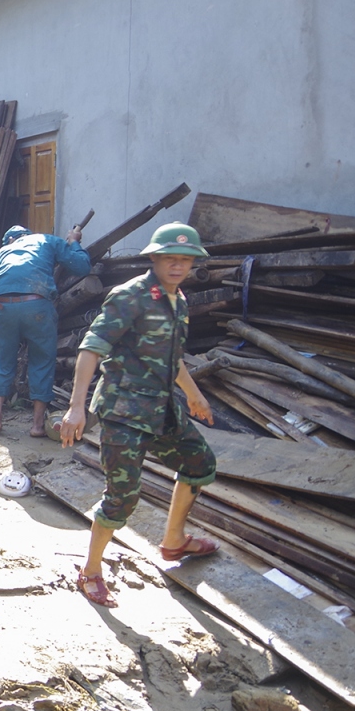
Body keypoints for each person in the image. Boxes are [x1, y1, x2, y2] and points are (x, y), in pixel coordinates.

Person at [60, 223, 218, 608]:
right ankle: (91, 572)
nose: (178, 266)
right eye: (171, 259)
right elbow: (92, 347)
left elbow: (172, 357)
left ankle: (174, 541)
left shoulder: (177, 301)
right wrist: (76, 406)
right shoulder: (129, 296)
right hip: (124, 411)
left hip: (162, 409)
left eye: (186, 260)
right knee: (122, 497)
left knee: (200, 464)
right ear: (155, 258)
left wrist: (194, 395)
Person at [0, 223, 91, 436]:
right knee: (42, 360)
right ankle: (37, 425)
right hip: (37, 304)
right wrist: (74, 241)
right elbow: (82, 266)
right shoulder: (47, 240)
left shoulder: (2, 252)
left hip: (4, 306)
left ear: (11, 240)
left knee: (2, 358)